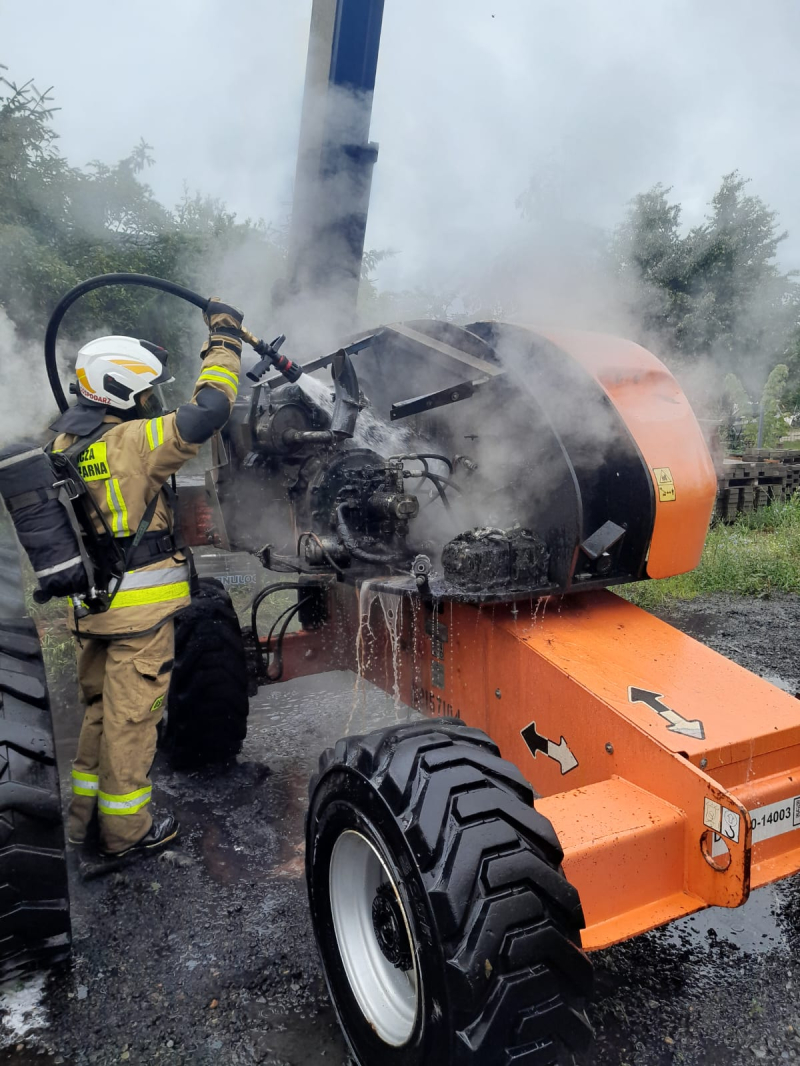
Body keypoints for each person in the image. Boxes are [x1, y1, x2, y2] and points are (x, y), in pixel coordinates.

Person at [50, 299, 243, 858]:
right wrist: (224, 340)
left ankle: (82, 823)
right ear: (120, 391)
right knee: (133, 721)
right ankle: (126, 835)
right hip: (137, 615)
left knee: (99, 715)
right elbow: (210, 410)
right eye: (144, 393)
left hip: (91, 609)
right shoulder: (134, 443)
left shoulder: (63, 444)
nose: (150, 401)